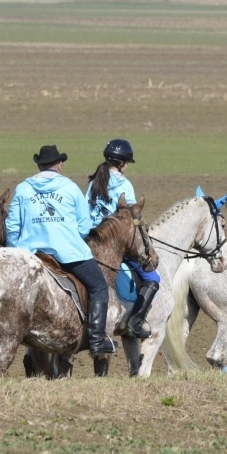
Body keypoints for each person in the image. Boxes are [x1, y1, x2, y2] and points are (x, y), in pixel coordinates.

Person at [6, 145, 115, 357]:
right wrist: (70, 237)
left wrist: (17, 253)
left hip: (31, 255)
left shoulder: (23, 188)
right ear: (59, 164)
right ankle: (97, 340)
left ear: (39, 165)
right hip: (69, 254)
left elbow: (12, 226)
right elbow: (84, 225)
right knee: (99, 286)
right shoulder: (70, 188)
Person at [85, 138, 159, 340]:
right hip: (114, 244)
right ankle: (135, 323)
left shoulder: (94, 182)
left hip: (90, 242)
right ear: (123, 163)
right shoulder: (124, 184)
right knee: (153, 278)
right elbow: (131, 219)